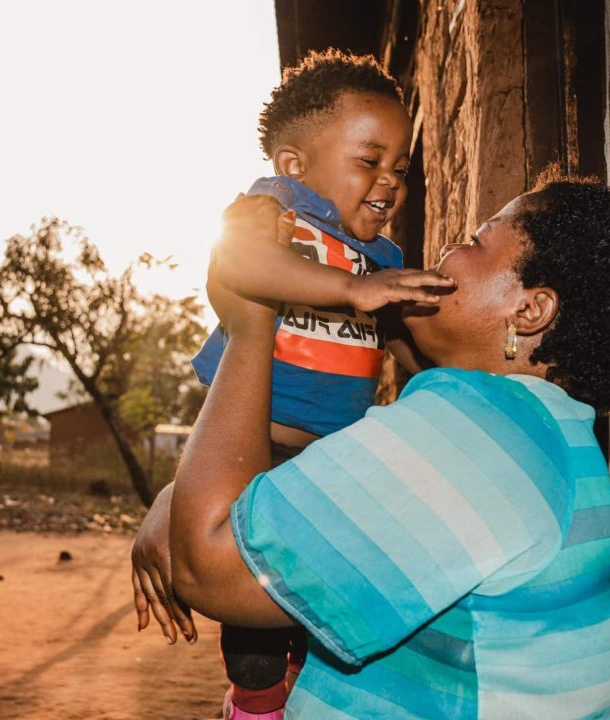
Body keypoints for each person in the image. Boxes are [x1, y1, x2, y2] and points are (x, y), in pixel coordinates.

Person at [132, 171, 610, 719]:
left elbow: (211, 568)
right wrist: (183, 494)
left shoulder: (475, 431)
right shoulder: (545, 436)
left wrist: (251, 318)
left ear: (530, 310)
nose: (449, 247)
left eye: (475, 241)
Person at [188, 50, 452, 719]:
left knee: (323, 595)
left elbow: (402, 343)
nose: (389, 182)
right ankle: (252, 703)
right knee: (253, 623)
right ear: (294, 164)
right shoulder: (278, 211)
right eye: (369, 160)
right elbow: (244, 264)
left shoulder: (383, 257)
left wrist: (445, 383)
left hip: (336, 458)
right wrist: (352, 289)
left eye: (399, 167)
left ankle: (310, 691)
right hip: (257, 452)